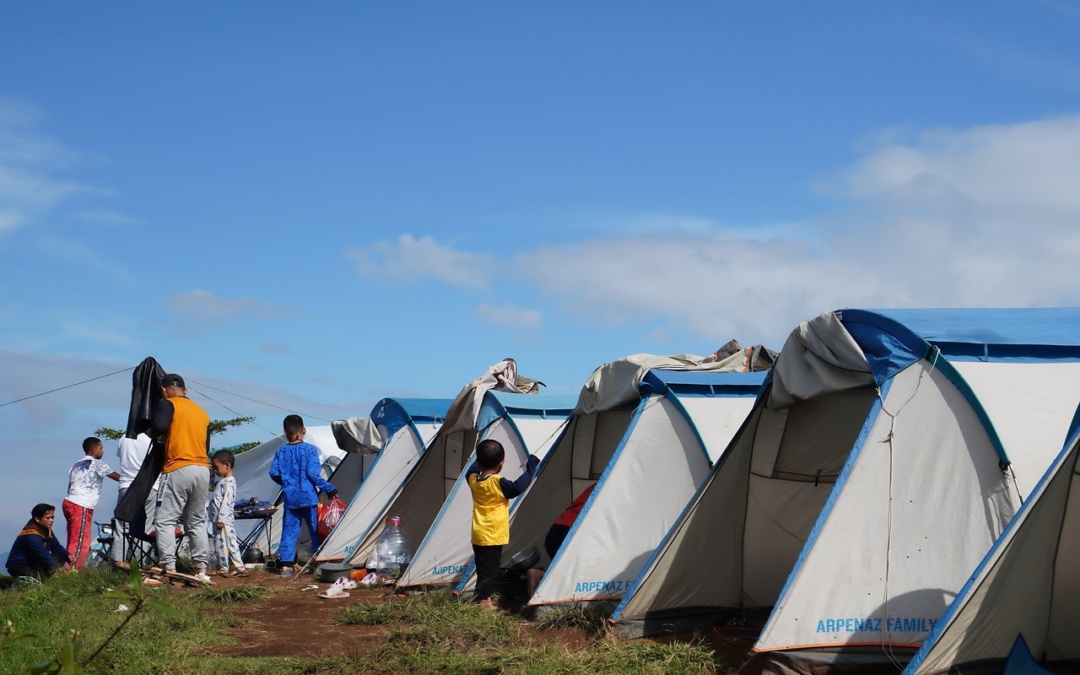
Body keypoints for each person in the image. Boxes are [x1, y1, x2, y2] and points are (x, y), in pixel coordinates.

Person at [151, 373, 213, 583]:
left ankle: (169, 567)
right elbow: (206, 445)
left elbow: (159, 427)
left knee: (165, 520)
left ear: (164, 390)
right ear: (185, 390)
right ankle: (202, 570)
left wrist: (150, 429)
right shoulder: (202, 412)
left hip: (178, 467)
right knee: (196, 521)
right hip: (202, 469)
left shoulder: (168, 404)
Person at [466, 439, 539, 611]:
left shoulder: (474, 480)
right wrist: (531, 467)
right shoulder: (497, 482)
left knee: (483, 568)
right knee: (490, 571)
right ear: (501, 463)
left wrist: (479, 460)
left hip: (479, 533)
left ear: (479, 461)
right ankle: (484, 603)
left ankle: (484, 599)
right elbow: (517, 487)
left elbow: (471, 470)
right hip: (492, 534)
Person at [269, 414, 337, 579]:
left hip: (291, 498)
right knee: (315, 529)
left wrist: (286, 482)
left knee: (289, 531)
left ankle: (286, 566)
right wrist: (329, 489)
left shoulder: (281, 451)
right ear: (304, 430)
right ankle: (319, 561)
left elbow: (273, 473)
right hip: (308, 497)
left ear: (285, 433)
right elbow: (313, 474)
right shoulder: (310, 450)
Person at [527, 483, 595, 597]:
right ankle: (540, 575)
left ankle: (538, 581)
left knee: (565, 570)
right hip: (570, 531)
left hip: (557, 530)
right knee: (574, 572)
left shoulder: (596, 485)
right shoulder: (610, 486)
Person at [63, 436, 119, 569]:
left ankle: (73, 567)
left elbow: (69, 487)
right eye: (101, 448)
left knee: (73, 538)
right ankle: (74, 570)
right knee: (81, 540)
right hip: (81, 504)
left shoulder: (76, 465)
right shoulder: (97, 463)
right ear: (93, 450)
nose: (103, 451)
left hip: (69, 502)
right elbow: (117, 477)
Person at [112, 419, 154, 563]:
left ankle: (117, 563)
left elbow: (121, 456)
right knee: (145, 528)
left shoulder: (123, 438)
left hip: (126, 485)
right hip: (149, 486)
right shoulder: (151, 441)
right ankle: (139, 564)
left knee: (121, 528)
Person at [6, 503, 74, 581]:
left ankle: (47, 577)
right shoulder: (31, 537)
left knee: (61, 556)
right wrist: (61, 571)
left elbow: (56, 547)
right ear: (37, 519)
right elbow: (45, 556)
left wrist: (67, 555)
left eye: (52, 517)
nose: (51, 520)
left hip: (35, 562)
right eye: (48, 518)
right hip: (19, 565)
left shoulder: (47, 531)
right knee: (36, 579)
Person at [208, 449, 248, 577]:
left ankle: (231, 567)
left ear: (227, 465)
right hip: (217, 520)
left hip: (223, 521)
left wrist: (221, 519)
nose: (215, 471)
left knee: (226, 544)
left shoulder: (230, 483)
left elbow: (227, 502)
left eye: (216, 467)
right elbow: (210, 487)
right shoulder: (222, 482)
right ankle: (228, 567)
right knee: (222, 544)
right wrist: (211, 472)